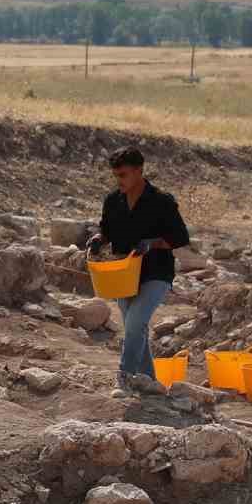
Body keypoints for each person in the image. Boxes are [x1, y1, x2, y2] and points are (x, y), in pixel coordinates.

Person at [86, 147, 189, 391]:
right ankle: (150, 382)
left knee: (133, 325)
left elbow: (181, 237)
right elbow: (107, 231)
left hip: (156, 273)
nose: (118, 180)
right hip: (124, 274)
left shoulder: (162, 201)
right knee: (137, 328)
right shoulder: (113, 201)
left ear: (139, 172)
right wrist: (99, 239)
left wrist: (152, 243)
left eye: (123, 175)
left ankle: (125, 377)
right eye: (116, 176)